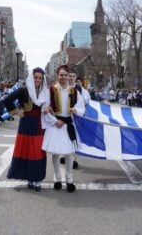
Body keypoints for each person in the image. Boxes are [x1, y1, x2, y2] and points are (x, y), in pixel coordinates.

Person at [4, 67, 48, 191]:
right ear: (31, 77)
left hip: (39, 125)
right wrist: (16, 111)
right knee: (27, 151)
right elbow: (7, 100)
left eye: (40, 78)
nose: (38, 80)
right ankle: (29, 178)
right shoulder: (24, 90)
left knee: (38, 152)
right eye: (36, 77)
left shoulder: (45, 91)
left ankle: (38, 179)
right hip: (26, 124)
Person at [42, 65, 85, 193]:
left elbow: (81, 107)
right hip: (56, 125)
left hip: (68, 124)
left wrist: (76, 110)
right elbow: (45, 109)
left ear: (68, 76)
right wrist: (55, 121)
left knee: (68, 153)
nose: (64, 77)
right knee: (55, 153)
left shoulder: (74, 91)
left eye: (66, 75)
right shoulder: (51, 90)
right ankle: (57, 177)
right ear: (57, 76)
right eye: (61, 75)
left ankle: (69, 178)